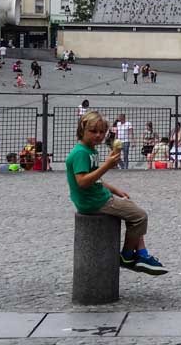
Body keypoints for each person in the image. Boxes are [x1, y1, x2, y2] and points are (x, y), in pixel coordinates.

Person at [65, 110, 167, 275]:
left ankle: (142, 254)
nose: (98, 135)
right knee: (140, 216)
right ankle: (127, 256)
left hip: (97, 197)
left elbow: (96, 179)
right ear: (82, 130)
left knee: (131, 208)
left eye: (102, 132)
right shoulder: (81, 153)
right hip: (94, 202)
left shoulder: (90, 150)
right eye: (93, 131)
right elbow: (83, 182)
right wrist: (106, 166)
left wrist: (115, 190)